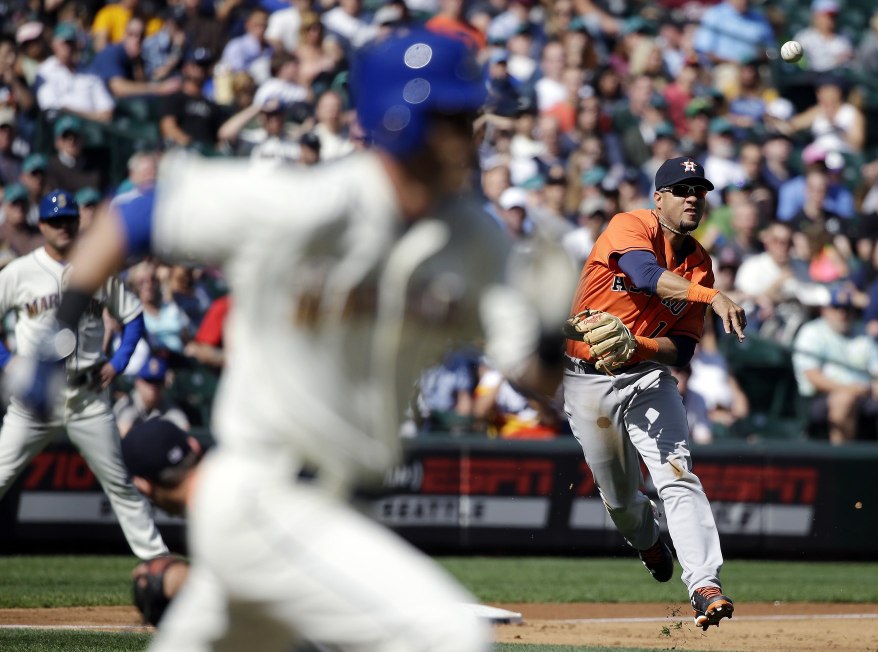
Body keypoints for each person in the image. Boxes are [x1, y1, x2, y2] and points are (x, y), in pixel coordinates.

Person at [30, 29, 569, 651]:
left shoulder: (478, 239)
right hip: (266, 494)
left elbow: (532, 373)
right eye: (454, 116)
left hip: (340, 509)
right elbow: (135, 216)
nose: (473, 131)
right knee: (446, 637)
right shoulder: (310, 203)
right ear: (402, 121)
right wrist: (57, 333)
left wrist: (554, 340)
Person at [561, 156, 744, 631]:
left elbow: (681, 350)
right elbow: (644, 274)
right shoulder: (630, 225)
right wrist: (714, 297)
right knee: (621, 500)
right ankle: (646, 541)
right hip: (587, 376)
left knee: (678, 475)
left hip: (645, 377)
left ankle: (705, 585)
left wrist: (637, 345)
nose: (692, 198)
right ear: (658, 197)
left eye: (698, 191)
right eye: (681, 190)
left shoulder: (698, 263)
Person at [0, 190, 166, 561]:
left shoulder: (98, 267)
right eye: (55, 221)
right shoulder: (19, 272)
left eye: (69, 220)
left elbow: (134, 316)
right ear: (41, 225)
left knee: (121, 485)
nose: (63, 226)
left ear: (78, 223)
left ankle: (158, 563)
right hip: (35, 398)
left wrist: (120, 361)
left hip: (88, 395)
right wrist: (6, 359)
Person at [792, 289, 878, 444]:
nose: (842, 314)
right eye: (836, 308)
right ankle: (841, 461)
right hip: (819, 397)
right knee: (844, 400)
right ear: (825, 311)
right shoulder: (812, 332)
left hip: (864, 395)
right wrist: (849, 390)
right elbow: (813, 377)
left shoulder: (862, 333)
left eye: (847, 309)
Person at [113, 355, 191, 436]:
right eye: (149, 381)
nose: (153, 387)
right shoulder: (128, 403)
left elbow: (185, 431)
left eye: (157, 382)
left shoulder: (167, 403)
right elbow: (122, 432)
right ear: (138, 382)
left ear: (164, 384)